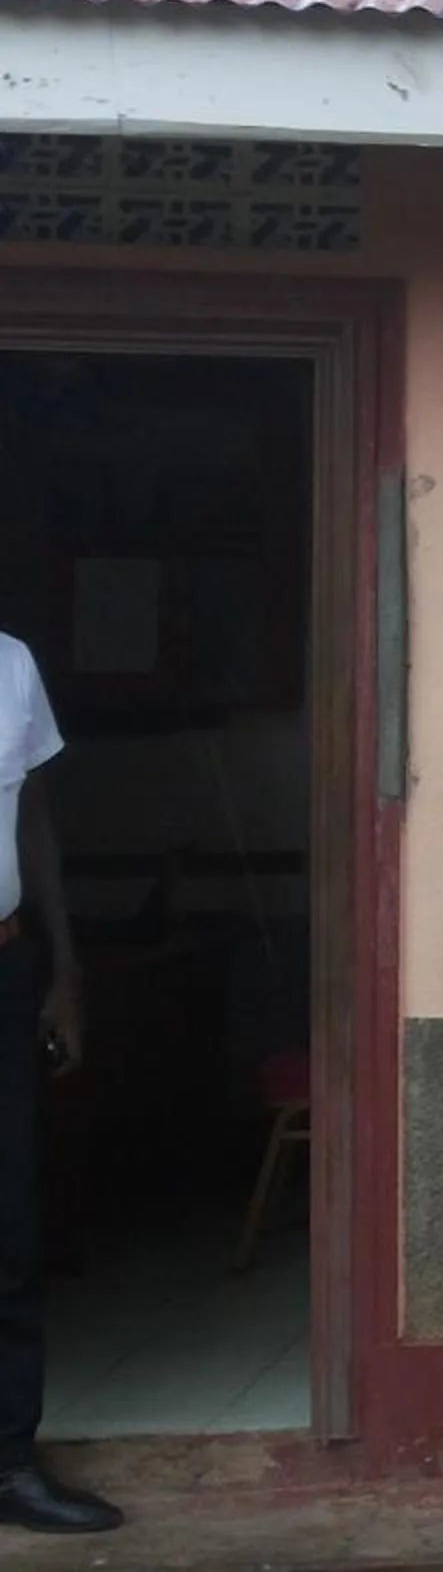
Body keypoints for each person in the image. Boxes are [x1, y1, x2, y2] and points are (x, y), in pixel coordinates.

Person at [0, 631, 122, 1534]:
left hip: (4, 965)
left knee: (11, 1226)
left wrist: (64, 971)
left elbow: (33, 819)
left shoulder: (11, 665)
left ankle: (9, 1463)